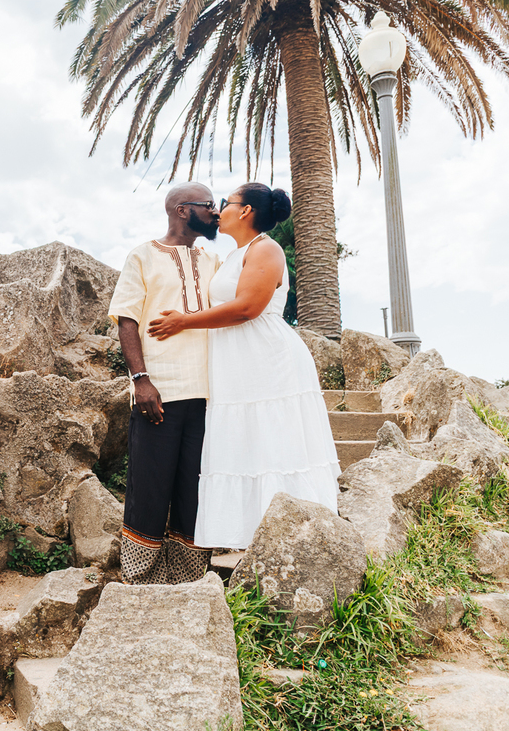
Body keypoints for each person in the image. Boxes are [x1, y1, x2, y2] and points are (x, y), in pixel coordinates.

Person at [148, 183, 340, 550]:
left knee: (274, 441)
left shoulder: (265, 248)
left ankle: (295, 540)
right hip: (239, 363)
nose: (219, 210)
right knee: (248, 442)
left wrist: (184, 321)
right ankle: (250, 538)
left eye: (226, 203)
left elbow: (248, 307)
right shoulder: (236, 255)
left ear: (246, 211)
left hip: (267, 359)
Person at [107, 182, 223, 584]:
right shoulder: (142, 256)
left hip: (209, 395)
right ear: (180, 210)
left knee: (195, 489)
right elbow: (127, 320)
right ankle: (140, 576)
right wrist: (141, 380)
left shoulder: (213, 261)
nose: (216, 212)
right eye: (208, 205)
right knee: (151, 485)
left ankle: (188, 575)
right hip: (161, 391)